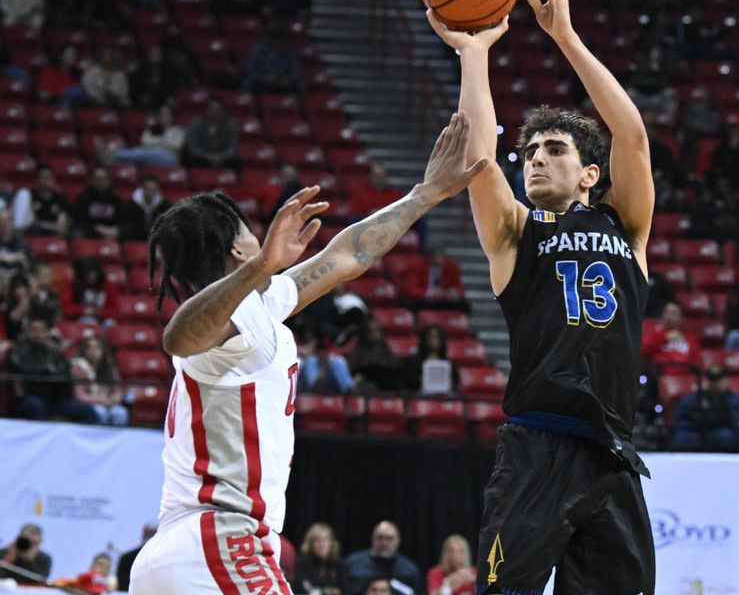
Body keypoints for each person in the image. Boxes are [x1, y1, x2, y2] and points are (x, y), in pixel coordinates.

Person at [128, 112, 487, 594]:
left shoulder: (259, 305)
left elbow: (346, 256)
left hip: (185, 547)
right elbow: (179, 338)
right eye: (247, 231)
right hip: (220, 538)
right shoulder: (224, 325)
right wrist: (260, 268)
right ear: (239, 250)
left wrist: (425, 194)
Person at [428, 0, 656, 591]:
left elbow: (630, 135)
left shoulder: (626, 227)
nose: (535, 158)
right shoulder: (515, 234)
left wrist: (565, 37)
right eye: (529, 151)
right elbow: (480, 160)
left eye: (554, 149)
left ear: (589, 175)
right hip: (537, 446)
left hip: (612, 456)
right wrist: (473, 55)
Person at [6, 316, 98, 423]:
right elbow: (20, 368)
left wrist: (47, 373)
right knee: (36, 405)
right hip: (29, 396)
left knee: (86, 410)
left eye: (42, 330)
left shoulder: (54, 352)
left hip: (55, 399)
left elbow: (65, 373)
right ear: (27, 332)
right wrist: (46, 370)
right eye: (34, 330)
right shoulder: (18, 351)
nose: (38, 334)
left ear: (47, 333)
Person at [671, 365, 739, 453]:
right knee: (685, 438)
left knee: (723, 435)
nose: (717, 383)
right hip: (700, 433)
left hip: (727, 437)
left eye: (720, 380)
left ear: (726, 380)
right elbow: (681, 420)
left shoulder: (738, 402)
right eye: (713, 380)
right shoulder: (695, 399)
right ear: (708, 382)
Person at [343, 521, 421, 595]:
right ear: (372, 538)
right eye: (380, 538)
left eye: (389, 538)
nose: (384, 543)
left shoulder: (409, 570)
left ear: (398, 540)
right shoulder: (352, 563)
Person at [97, 105, 186, 169]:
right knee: (140, 153)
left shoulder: (178, 130)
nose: (163, 117)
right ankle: (111, 161)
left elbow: (176, 146)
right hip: (148, 155)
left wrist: (155, 144)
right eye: (161, 114)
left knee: (147, 153)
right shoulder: (151, 129)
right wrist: (162, 143)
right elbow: (144, 141)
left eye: (166, 114)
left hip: (170, 158)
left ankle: (113, 154)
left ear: (172, 116)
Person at [71, 336, 128, 426]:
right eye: (90, 348)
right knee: (100, 412)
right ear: (84, 351)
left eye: (97, 347)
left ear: (103, 350)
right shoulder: (79, 367)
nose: (94, 351)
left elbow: (118, 390)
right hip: (90, 403)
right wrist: (101, 400)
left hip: (108, 402)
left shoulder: (109, 366)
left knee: (120, 413)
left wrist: (114, 400)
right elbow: (80, 395)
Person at [641, 301, 703, 376]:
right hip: (658, 378)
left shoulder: (690, 339)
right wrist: (665, 337)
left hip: (685, 378)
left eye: (673, 313)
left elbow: (698, 363)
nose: (669, 316)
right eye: (667, 312)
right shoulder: (654, 333)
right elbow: (643, 352)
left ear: (681, 317)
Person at [182, 97, 240, 170]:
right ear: (206, 110)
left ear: (222, 111)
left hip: (223, 158)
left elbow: (232, 148)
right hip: (202, 157)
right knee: (188, 156)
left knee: (236, 161)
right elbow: (193, 146)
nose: (214, 112)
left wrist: (220, 157)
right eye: (211, 109)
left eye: (217, 109)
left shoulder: (230, 125)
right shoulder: (195, 123)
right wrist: (208, 156)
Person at [399, 324, 459, 395]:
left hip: (444, 395)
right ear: (425, 339)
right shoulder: (412, 361)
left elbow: (454, 381)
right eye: (431, 337)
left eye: (437, 337)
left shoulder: (448, 363)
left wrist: (449, 384)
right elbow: (408, 381)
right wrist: (421, 381)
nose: (434, 340)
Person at [348, 317, 404, 392]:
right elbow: (353, 371)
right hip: (366, 387)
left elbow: (394, 369)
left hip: (386, 387)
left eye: (378, 331)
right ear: (366, 333)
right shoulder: (359, 351)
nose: (376, 334)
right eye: (372, 331)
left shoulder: (386, 350)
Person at [12, 164, 70, 236]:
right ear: (37, 180)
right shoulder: (29, 196)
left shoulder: (60, 198)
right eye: (42, 177)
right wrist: (51, 226)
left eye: (48, 177)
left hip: (54, 235)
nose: (45, 181)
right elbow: (31, 222)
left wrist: (44, 224)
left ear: (53, 179)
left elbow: (61, 226)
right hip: (34, 233)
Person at [71, 167, 124, 239]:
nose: (100, 182)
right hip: (89, 231)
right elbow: (79, 220)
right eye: (97, 179)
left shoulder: (116, 200)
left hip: (111, 232)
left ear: (109, 181)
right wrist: (96, 228)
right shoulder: (83, 198)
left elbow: (122, 220)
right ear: (92, 180)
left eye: (103, 179)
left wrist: (116, 229)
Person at [293, 523, 345, 595]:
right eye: (317, 540)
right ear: (310, 543)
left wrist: (319, 591)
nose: (322, 544)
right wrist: (331, 591)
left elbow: (345, 590)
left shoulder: (338, 564)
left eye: (325, 540)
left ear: (331, 542)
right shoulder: (303, 563)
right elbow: (300, 589)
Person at [298, 329, 355, 394]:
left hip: (328, 383)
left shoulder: (328, 350)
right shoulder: (296, 348)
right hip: (308, 388)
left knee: (338, 361)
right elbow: (302, 352)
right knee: (311, 361)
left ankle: (350, 389)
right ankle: (316, 384)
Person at [122, 175, 170, 241]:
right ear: (142, 189)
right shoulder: (132, 204)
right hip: (135, 238)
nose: (150, 192)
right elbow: (127, 224)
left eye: (153, 189)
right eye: (148, 189)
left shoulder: (164, 205)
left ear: (157, 189)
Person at [116, 523, 157, 592]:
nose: (151, 537)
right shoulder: (127, 558)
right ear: (143, 535)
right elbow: (124, 585)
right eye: (149, 534)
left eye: (154, 534)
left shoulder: (167, 558)